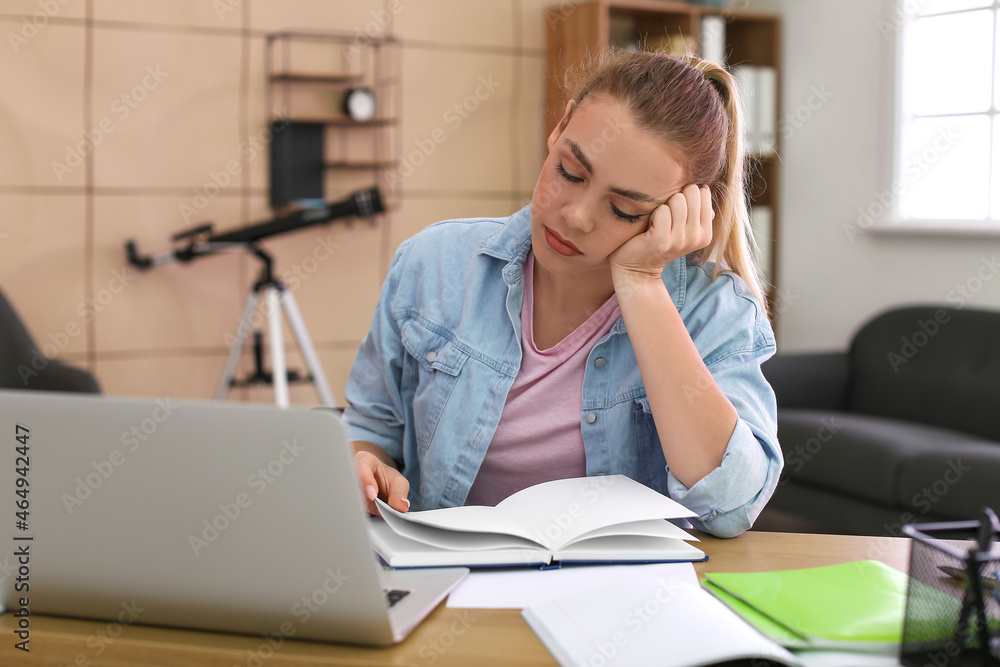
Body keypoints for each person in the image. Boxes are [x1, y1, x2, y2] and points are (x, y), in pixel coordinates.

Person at [343, 49, 782, 538]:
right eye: (570, 173)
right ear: (561, 125)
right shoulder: (433, 263)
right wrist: (365, 466)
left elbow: (729, 508)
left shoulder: (715, 310)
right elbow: (371, 430)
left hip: (622, 601)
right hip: (449, 588)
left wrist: (641, 284)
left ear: (680, 212)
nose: (577, 216)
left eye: (623, 210)